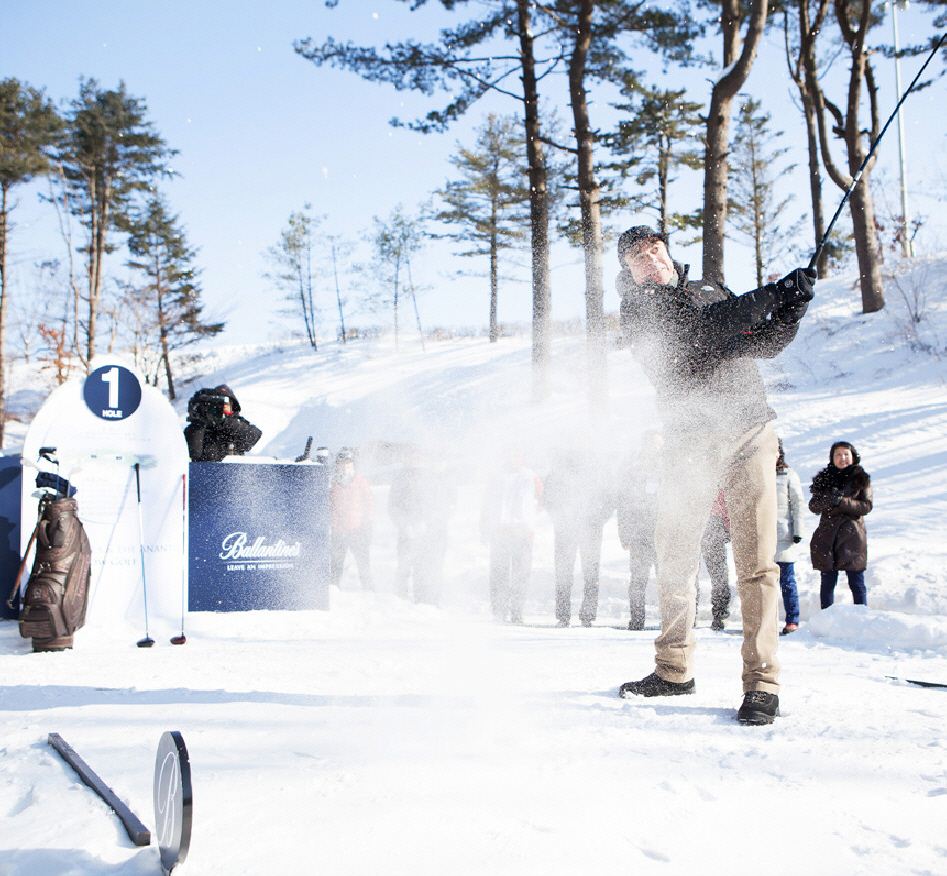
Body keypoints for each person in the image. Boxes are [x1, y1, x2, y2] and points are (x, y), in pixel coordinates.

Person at [614, 223, 815, 725]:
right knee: (676, 553)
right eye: (637, 257)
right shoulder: (641, 311)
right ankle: (674, 668)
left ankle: (762, 683)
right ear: (628, 272)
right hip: (688, 440)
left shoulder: (708, 289)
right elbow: (704, 335)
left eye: (655, 249)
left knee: (756, 561)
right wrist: (771, 292)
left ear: (668, 252)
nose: (650, 259)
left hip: (749, 432)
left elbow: (758, 342)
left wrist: (792, 306)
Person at [543, 450, 614, 627]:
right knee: (563, 573)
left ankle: (588, 615)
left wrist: (598, 520)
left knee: (591, 573)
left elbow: (609, 498)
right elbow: (548, 498)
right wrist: (559, 519)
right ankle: (563, 615)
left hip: (590, 529)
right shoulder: (558, 472)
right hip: (565, 529)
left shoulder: (597, 471)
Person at [480, 450, 543, 624]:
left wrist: (529, 520)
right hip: (500, 531)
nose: (513, 459)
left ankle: (517, 611)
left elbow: (541, 500)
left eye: (517, 455)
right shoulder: (496, 477)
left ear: (522, 458)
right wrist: (484, 527)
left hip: (522, 532)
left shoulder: (531, 477)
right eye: (510, 455)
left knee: (521, 574)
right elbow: (487, 503)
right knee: (499, 572)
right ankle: (499, 612)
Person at [809, 441, 872, 609]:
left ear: (853, 457)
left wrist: (842, 501)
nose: (842, 458)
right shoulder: (824, 479)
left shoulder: (861, 478)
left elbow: (866, 506)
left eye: (846, 454)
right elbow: (813, 506)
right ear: (832, 458)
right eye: (838, 454)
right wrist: (829, 498)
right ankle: (826, 618)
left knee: (856, 582)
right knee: (827, 582)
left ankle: (862, 617)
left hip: (852, 536)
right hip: (827, 536)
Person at [388, 449, 455, 605]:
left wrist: (428, 524)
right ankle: (399, 601)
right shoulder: (400, 479)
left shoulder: (433, 478)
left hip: (429, 532)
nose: (415, 459)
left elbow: (441, 505)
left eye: (419, 456)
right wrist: (404, 525)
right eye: (412, 456)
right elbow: (393, 506)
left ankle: (425, 601)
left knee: (425, 567)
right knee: (404, 567)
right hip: (407, 531)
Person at [617, 431, 662, 630]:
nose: (654, 448)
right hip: (639, 534)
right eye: (651, 444)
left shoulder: (667, 470)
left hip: (662, 533)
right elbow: (623, 504)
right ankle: (637, 619)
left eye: (658, 444)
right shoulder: (632, 472)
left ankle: (669, 619)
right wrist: (624, 533)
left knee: (666, 580)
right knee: (638, 580)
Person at [329, 449, 374, 591]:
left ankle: (370, 591)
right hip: (338, 530)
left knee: (364, 564)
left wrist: (367, 526)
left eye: (347, 463)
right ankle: (334, 590)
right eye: (341, 463)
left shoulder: (360, 481)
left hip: (358, 529)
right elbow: (329, 505)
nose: (344, 466)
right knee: (336, 563)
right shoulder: (333, 483)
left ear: (353, 464)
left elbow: (369, 504)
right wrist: (334, 524)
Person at [775, 438, 807, 634]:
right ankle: (765, 621)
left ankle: (792, 619)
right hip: (761, 537)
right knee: (763, 582)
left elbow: (798, 504)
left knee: (787, 580)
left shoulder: (787, 474)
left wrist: (798, 531)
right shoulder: (756, 473)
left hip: (783, 534)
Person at [184, 384, 262, 462]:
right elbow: (192, 454)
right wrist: (199, 422)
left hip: (232, 471)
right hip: (201, 472)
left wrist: (225, 422)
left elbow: (254, 435)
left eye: (225, 404)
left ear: (233, 406)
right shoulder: (198, 428)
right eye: (217, 405)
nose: (220, 408)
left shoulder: (236, 424)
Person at [701, 490, 732, 631]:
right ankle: (720, 613)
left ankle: (720, 614)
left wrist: (727, 526)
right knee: (718, 573)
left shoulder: (716, 476)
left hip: (710, 522)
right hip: (706, 521)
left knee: (718, 573)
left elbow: (724, 503)